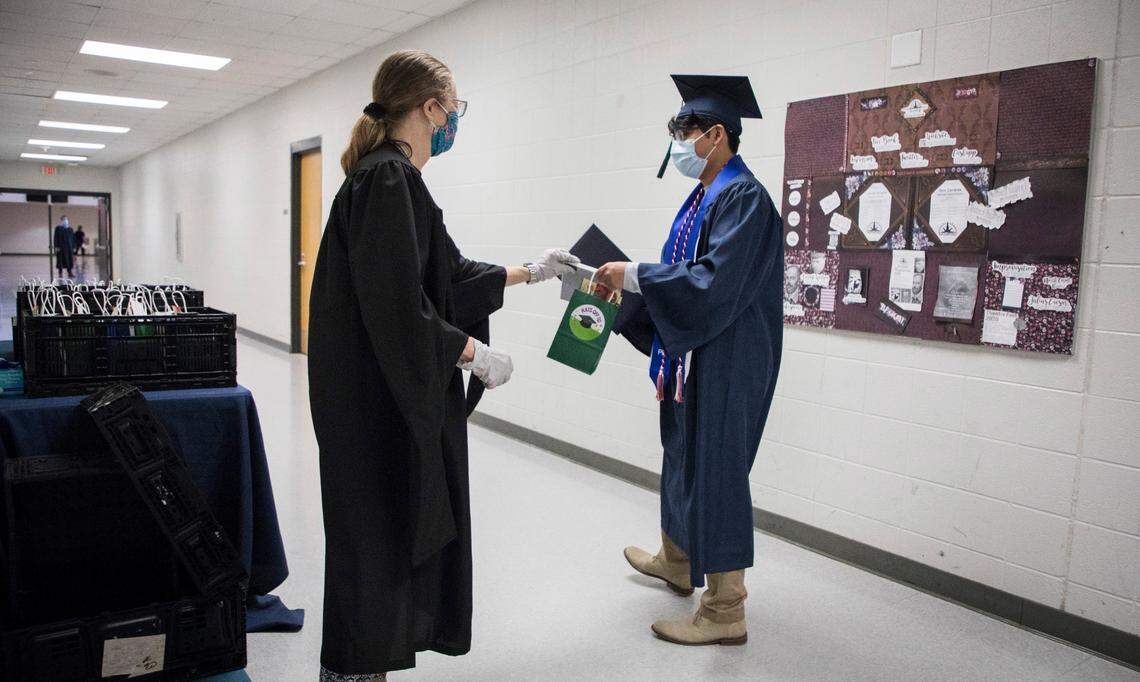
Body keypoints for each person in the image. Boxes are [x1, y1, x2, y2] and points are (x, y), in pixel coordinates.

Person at [307, 50, 578, 681]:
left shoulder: (395, 180)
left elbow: (446, 277)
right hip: (371, 411)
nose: (455, 120)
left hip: (375, 402)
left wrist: (532, 273)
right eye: (453, 108)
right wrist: (470, 352)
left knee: (384, 538)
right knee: (372, 542)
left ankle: (363, 669)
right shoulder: (386, 180)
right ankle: (350, 673)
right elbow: (399, 306)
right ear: (429, 108)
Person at [595, 74, 783, 646]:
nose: (677, 141)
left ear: (716, 135)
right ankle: (678, 560)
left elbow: (710, 283)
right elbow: (682, 277)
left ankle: (726, 610)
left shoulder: (743, 198)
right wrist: (624, 292)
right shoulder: (705, 194)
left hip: (729, 356)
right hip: (697, 353)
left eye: (684, 130)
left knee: (718, 469)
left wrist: (633, 276)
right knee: (680, 448)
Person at [52, 214, 74, 278]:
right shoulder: (58, 228)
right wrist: (56, 246)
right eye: (64, 219)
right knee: (60, 260)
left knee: (69, 260)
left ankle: (70, 273)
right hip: (60, 247)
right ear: (61, 220)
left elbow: (72, 238)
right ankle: (60, 273)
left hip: (68, 248)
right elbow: (55, 238)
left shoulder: (70, 229)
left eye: (66, 219)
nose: (65, 221)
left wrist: (73, 247)